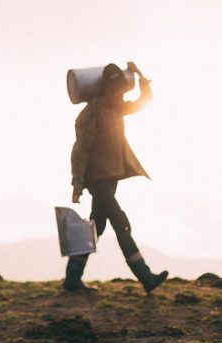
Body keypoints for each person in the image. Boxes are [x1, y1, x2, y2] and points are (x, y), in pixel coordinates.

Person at [65, 62, 168, 294]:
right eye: (118, 91)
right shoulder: (92, 113)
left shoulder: (117, 108)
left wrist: (141, 77)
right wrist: (77, 184)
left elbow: (144, 103)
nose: (121, 95)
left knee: (96, 227)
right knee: (121, 222)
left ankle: (72, 278)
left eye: (123, 91)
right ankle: (145, 276)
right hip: (97, 180)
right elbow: (80, 150)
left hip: (110, 178)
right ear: (107, 90)